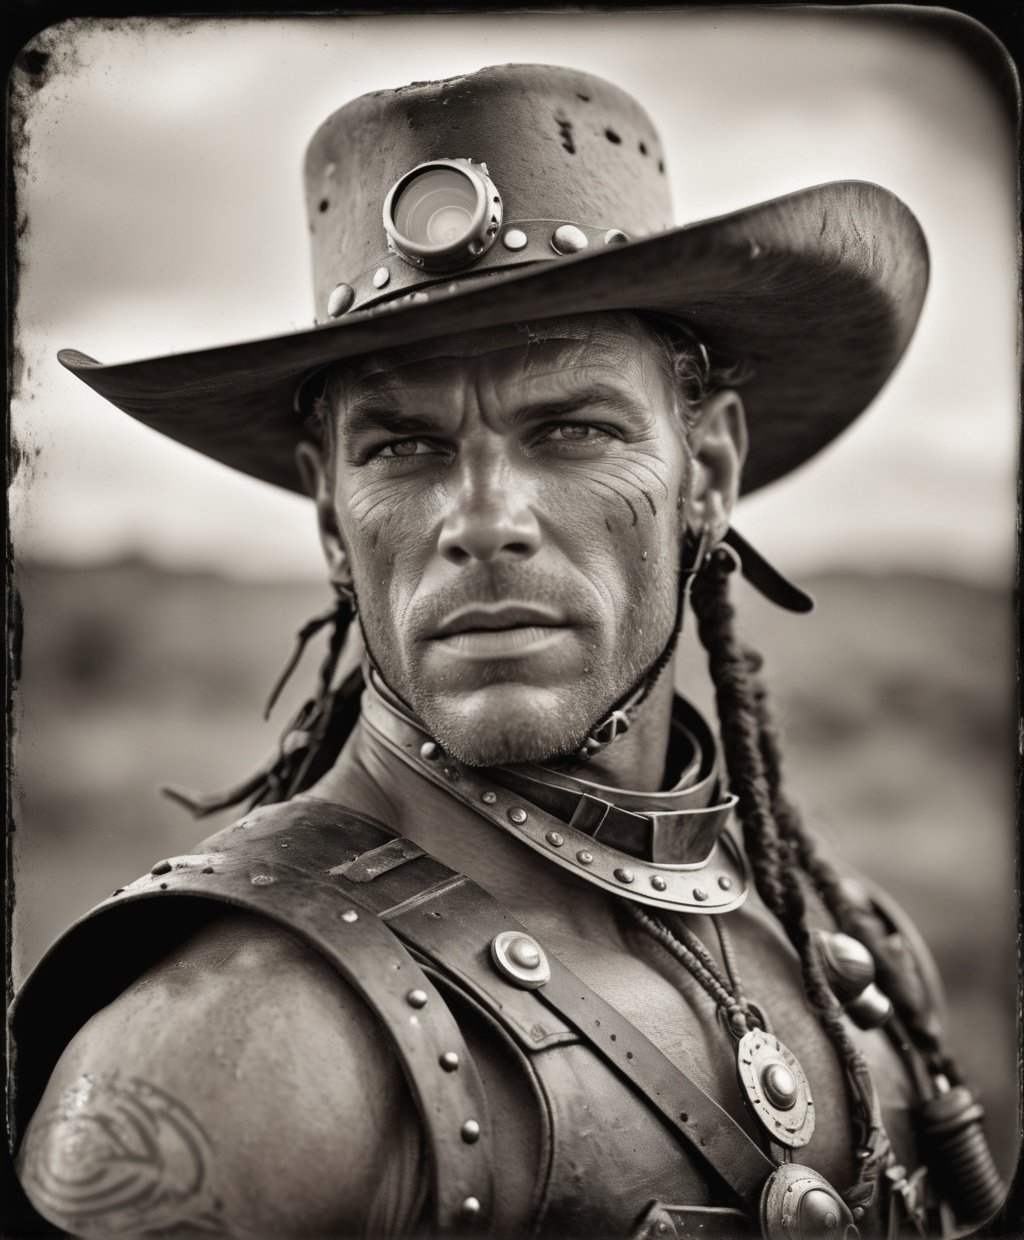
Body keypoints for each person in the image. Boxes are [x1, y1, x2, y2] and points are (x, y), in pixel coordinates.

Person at [8, 63, 1006, 1240]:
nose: (482, 518)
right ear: (331, 518)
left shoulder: (846, 949)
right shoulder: (221, 1064)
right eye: (402, 446)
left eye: (572, 428)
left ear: (710, 475)